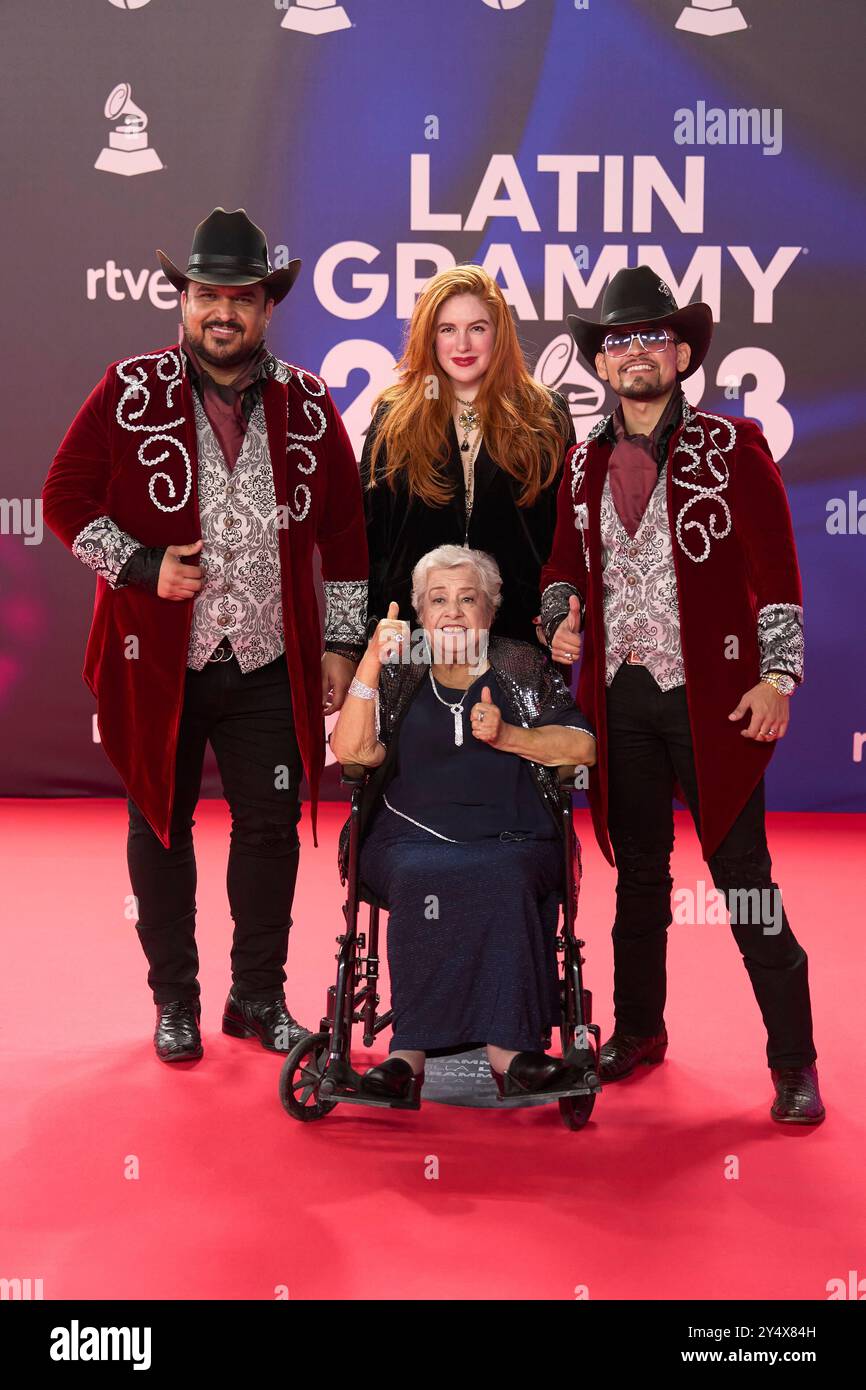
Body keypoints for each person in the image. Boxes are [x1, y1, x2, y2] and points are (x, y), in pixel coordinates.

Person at [42, 208, 368, 1064]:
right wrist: (144, 567)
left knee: (268, 828)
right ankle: (174, 1002)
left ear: (268, 307)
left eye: (243, 298)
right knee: (160, 822)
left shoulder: (307, 401)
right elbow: (64, 500)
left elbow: (347, 532)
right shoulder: (128, 388)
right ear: (183, 299)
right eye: (208, 295)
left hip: (268, 662)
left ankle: (256, 999)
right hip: (160, 663)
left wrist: (340, 645)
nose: (223, 312)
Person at [539, 265, 823, 1124]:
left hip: (713, 702)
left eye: (650, 337)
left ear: (681, 351)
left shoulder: (736, 449)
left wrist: (779, 676)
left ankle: (794, 1061)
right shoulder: (583, 465)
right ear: (602, 362)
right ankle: (639, 1030)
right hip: (622, 702)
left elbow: (777, 576)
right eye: (618, 340)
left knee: (743, 882)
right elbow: (560, 568)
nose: (634, 353)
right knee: (641, 882)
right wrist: (560, 617)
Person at [329, 544, 597, 1105]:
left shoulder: (521, 665)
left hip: (511, 836)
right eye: (437, 600)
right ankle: (407, 1057)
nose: (451, 611)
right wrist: (373, 658)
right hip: (408, 836)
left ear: (489, 610)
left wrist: (510, 737)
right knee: (420, 873)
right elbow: (351, 749)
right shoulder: (399, 670)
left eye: (467, 598)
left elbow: (583, 747)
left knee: (502, 874)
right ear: (420, 615)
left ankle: (511, 1055)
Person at [361, 264, 574, 649]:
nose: (463, 345)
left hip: (519, 637)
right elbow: (372, 539)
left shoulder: (545, 413)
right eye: (448, 330)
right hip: (413, 641)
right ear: (430, 338)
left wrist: (554, 614)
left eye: (477, 328)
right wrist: (370, 632)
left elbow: (563, 537)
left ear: (498, 334)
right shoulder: (395, 415)